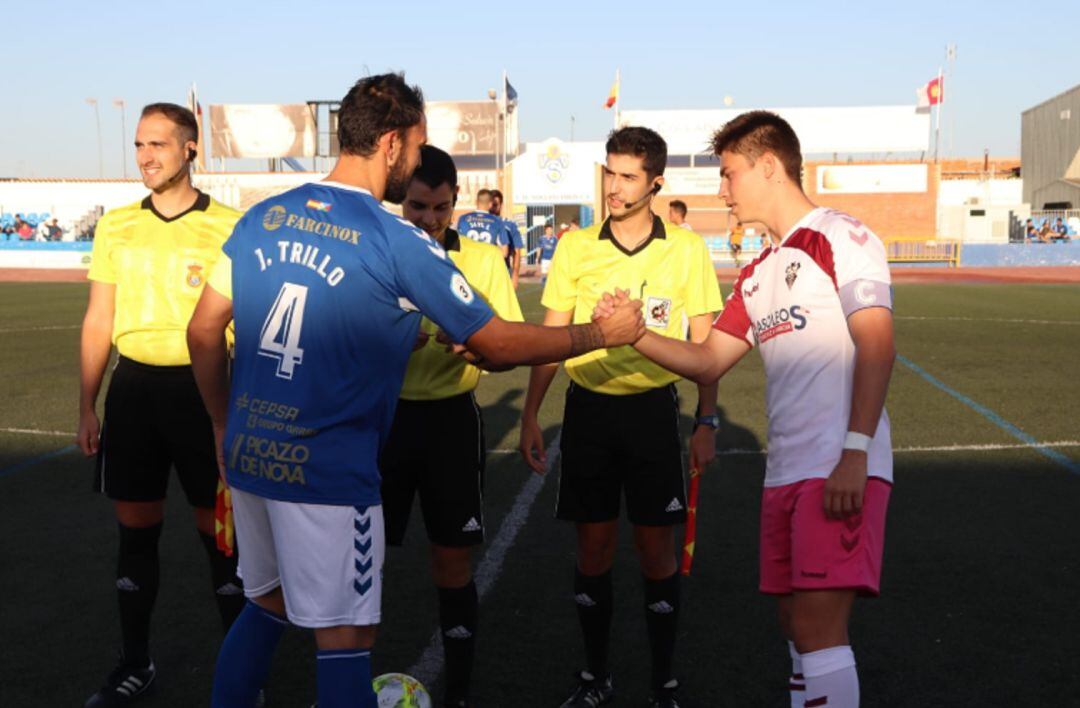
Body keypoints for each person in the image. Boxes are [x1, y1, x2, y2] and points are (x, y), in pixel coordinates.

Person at [186, 72, 645, 708]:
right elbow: (498, 344)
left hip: (250, 454)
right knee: (347, 635)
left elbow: (203, 330)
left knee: (265, 604)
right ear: (394, 142)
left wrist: (219, 424)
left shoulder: (264, 216)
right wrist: (603, 330)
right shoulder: (398, 239)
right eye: (419, 142)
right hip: (327, 471)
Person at [596, 110, 896, 708]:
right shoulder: (760, 270)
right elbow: (709, 359)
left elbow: (878, 343)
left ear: (768, 167)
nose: (722, 189)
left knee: (817, 629)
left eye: (729, 174)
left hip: (835, 463)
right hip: (785, 472)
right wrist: (632, 335)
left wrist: (855, 452)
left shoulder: (841, 236)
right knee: (792, 625)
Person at [518, 126, 723, 708]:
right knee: (594, 552)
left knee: (658, 556)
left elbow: (707, 345)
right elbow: (552, 338)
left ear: (656, 182)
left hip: (653, 416)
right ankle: (595, 677)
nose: (615, 186)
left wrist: (706, 423)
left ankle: (663, 684)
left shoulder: (685, 249)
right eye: (610, 172)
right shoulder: (576, 246)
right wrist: (532, 413)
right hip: (588, 415)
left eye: (629, 175)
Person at [77, 102, 245, 707]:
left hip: (204, 396)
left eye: (159, 145)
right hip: (134, 394)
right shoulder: (117, 225)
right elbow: (99, 320)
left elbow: (244, 325)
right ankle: (134, 662)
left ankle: (239, 677)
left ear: (191, 149)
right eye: (140, 145)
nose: (146, 157)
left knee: (219, 539)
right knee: (135, 533)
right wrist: (88, 404)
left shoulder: (230, 225)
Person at [381, 145, 523, 707]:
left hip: (450, 424)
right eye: (417, 207)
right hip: (380, 419)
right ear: (401, 202)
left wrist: (475, 349)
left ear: (456, 201)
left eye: (440, 208)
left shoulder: (483, 260)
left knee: (452, 556)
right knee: (361, 556)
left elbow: (508, 340)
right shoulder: (374, 251)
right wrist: (388, 340)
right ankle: (343, 676)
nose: (429, 220)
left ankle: (459, 691)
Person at [456, 188, 508, 259]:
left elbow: (456, 247)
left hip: (468, 265)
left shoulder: (463, 219)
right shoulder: (497, 221)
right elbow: (504, 252)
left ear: (476, 202)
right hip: (487, 266)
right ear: (490, 204)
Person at [489, 188, 525, 288]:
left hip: (502, 271)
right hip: (482, 271)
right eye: (491, 204)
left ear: (501, 205)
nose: (492, 207)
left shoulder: (509, 225)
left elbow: (516, 252)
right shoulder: (480, 223)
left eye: (496, 204)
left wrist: (515, 275)